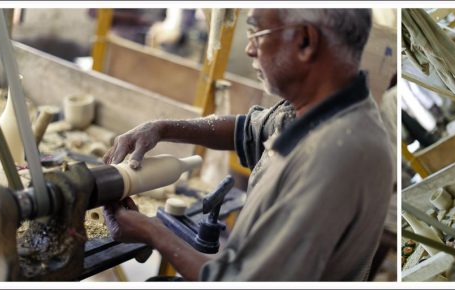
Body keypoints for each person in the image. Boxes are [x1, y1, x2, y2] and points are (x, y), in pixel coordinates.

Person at [102, 9, 393, 281]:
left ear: (305, 40)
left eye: (256, 32)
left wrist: (152, 231)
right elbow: (247, 130)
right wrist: (161, 128)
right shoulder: (323, 108)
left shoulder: (332, 157)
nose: (249, 48)